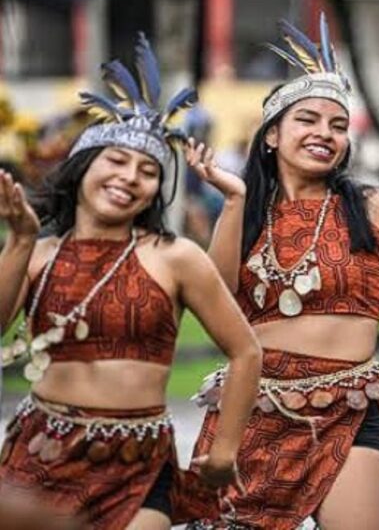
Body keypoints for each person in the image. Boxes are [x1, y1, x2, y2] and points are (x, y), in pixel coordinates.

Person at [179, 14, 379, 530]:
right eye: (308, 120)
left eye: (338, 125)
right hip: (251, 407)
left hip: (349, 404)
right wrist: (233, 201)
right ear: (271, 136)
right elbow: (217, 302)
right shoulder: (246, 212)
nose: (325, 133)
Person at [0, 34, 261, 529]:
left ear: (153, 194)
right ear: (82, 169)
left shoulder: (175, 257)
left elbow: (246, 350)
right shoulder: (39, 256)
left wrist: (226, 449)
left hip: (139, 464)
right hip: (39, 454)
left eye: (147, 172)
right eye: (115, 161)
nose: (129, 178)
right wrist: (17, 242)